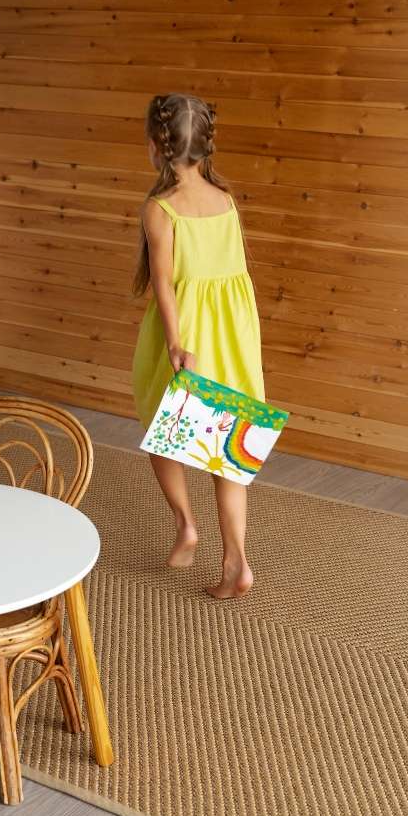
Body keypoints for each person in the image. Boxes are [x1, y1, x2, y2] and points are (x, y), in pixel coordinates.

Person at [132, 93, 265, 599]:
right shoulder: (225, 200)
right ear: (205, 145)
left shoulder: (160, 208)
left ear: (154, 147)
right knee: (226, 451)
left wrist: (175, 344)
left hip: (188, 335)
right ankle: (237, 563)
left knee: (162, 431)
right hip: (233, 337)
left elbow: (164, 284)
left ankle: (186, 524)